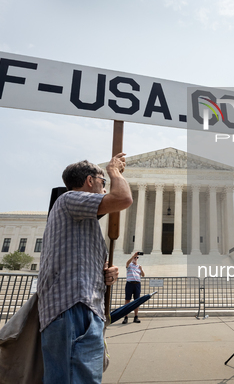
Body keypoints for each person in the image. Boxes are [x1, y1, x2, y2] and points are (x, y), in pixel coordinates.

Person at [38, 154, 133, 384]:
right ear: (90, 181)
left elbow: (81, 261)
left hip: (83, 307)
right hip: (72, 306)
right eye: (103, 182)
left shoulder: (83, 219)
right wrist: (114, 171)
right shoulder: (70, 199)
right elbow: (122, 198)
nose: (105, 188)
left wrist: (106, 273)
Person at [122, 252, 145, 324]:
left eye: (137, 257)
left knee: (137, 301)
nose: (135, 259)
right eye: (135, 257)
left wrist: (141, 269)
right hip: (130, 284)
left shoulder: (139, 266)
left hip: (137, 284)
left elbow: (143, 275)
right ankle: (126, 317)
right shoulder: (129, 265)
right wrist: (133, 256)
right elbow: (127, 263)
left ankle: (136, 317)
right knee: (127, 300)